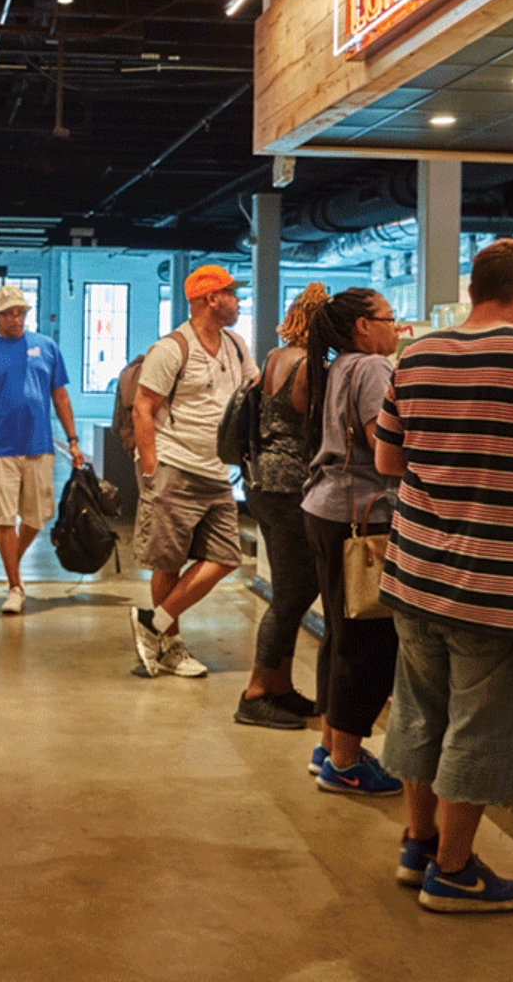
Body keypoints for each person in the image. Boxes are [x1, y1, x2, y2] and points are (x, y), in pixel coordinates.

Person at [374, 239, 513, 912]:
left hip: (415, 571)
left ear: (472, 290)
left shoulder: (415, 354)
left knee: (420, 710)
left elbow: (387, 460)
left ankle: (418, 845)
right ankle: (455, 871)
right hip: (498, 584)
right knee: (482, 725)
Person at [129, 264, 258, 678]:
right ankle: (171, 647)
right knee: (167, 562)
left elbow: (255, 391)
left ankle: (153, 624)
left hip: (217, 471)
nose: (238, 301)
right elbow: (143, 408)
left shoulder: (236, 345)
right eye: (231, 294)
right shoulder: (171, 349)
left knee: (226, 557)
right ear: (211, 298)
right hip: (175, 468)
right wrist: (152, 471)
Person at [300, 288, 402, 794]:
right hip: (362, 515)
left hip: (327, 509)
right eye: (390, 318)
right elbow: (382, 444)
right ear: (364, 325)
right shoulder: (374, 368)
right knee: (368, 644)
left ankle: (331, 746)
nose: (397, 328)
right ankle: (344, 763)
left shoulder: (339, 365)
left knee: (342, 636)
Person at [0, 284, 85, 614]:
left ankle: (12, 560)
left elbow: (60, 396)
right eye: (8, 314)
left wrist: (73, 441)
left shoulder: (46, 347)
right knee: (3, 518)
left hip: (38, 444)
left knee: (37, 518)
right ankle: (15, 585)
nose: (15, 319)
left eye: (20, 312)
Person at [234, 282, 328, 729]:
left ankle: (280, 686)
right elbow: (318, 426)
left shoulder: (275, 356)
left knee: (293, 592)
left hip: (263, 482)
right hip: (291, 486)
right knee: (291, 596)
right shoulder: (310, 365)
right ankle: (255, 693)